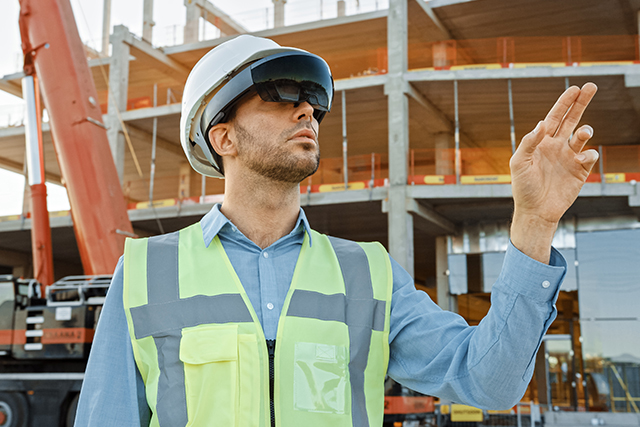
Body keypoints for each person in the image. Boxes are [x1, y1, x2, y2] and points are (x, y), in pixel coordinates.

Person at [74, 35, 599, 427]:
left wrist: (534, 223)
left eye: (312, 99)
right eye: (279, 93)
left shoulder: (368, 273)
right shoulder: (146, 271)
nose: (307, 110)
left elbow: (492, 382)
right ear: (223, 136)